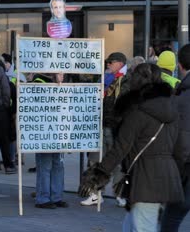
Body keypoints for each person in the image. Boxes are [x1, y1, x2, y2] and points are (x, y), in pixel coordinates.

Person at [79, 63, 185, 231]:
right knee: (132, 225)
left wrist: (98, 175)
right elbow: (180, 147)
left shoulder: (137, 113)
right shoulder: (172, 110)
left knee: (143, 227)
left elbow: (120, 148)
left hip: (145, 177)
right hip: (166, 175)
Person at [82, 52, 130, 207]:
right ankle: (95, 193)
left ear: (120, 63)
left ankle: (120, 194)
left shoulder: (127, 80)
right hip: (101, 125)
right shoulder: (106, 79)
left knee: (117, 162)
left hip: (117, 128)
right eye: (107, 62)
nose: (108, 65)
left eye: (111, 62)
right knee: (95, 159)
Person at [160, 44, 190, 231]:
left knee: (172, 216)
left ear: (179, 65)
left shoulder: (181, 98)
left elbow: (182, 142)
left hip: (185, 168)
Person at [34, 73, 67, 209]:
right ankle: (43, 198)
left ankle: (56, 196)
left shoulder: (60, 84)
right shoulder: (39, 81)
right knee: (46, 166)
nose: (62, 75)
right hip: (45, 133)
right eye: (60, 73)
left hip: (58, 132)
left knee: (58, 166)